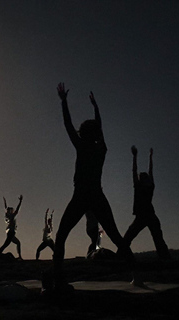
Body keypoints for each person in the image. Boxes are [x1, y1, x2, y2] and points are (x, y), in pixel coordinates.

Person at [49, 83, 136, 291]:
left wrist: (64, 102)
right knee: (115, 235)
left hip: (81, 196)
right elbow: (99, 128)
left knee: (61, 236)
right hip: (96, 195)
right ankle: (137, 274)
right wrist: (96, 108)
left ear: (84, 133)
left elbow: (68, 125)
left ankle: (58, 276)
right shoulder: (101, 149)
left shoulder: (82, 146)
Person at [124, 146, 171, 259]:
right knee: (157, 238)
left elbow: (137, 171)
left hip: (145, 216)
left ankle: (121, 255)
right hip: (148, 215)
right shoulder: (148, 186)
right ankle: (165, 258)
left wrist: (135, 157)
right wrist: (149, 157)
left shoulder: (140, 186)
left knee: (129, 237)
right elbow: (148, 171)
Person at [0, 195, 23, 259]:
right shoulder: (10, 216)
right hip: (10, 232)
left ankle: (19, 256)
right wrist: (20, 201)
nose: (13, 211)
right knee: (7, 244)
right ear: (10, 211)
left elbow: (6, 209)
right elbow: (16, 209)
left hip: (11, 232)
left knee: (15, 243)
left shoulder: (9, 215)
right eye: (11, 210)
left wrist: (5, 202)